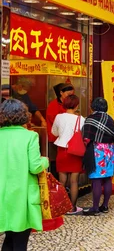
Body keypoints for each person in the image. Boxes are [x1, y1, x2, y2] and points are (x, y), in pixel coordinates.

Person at [0, 99, 49, 251]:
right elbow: (35, 167)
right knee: (20, 240)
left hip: (2, 195)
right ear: (24, 116)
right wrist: (45, 161)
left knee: (9, 236)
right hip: (22, 195)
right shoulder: (30, 136)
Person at [82, 97, 114, 216]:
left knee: (96, 179)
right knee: (107, 178)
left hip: (95, 150)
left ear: (93, 106)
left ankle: (95, 208)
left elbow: (86, 137)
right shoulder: (110, 119)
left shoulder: (90, 119)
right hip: (108, 151)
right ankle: (105, 206)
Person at [52, 94, 85, 214]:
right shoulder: (81, 119)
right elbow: (83, 136)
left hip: (62, 150)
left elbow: (54, 132)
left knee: (61, 180)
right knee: (74, 181)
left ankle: (61, 207)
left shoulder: (58, 117)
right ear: (76, 106)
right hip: (75, 152)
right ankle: (73, 208)